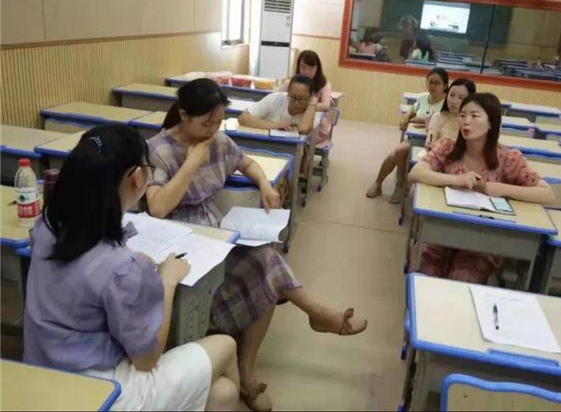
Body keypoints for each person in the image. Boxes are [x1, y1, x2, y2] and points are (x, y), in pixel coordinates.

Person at [146, 78, 367, 411]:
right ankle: (320, 316)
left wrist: (264, 183)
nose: (213, 129)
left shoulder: (217, 139)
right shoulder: (158, 149)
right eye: (207, 122)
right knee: (268, 272)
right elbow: (159, 207)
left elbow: (246, 162)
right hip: (179, 247)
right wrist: (193, 161)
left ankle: (249, 370)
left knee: (267, 260)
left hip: (215, 238)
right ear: (183, 115)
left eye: (218, 121)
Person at [23, 124, 240, 411]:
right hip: (103, 391)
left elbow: (86, 268)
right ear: (136, 178)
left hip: (41, 370)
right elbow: (147, 359)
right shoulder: (122, 267)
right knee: (226, 345)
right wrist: (167, 281)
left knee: (223, 393)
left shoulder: (47, 225)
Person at [408, 93, 555, 283]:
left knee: (464, 278)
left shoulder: (508, 158)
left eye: (474, 116)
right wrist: (457, 180)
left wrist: (500, 188)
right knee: (423, 270)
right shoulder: (448, 146)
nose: (466, 121)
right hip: (443, 230)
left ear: (491, 122)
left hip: (484, 240)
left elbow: (547, 194)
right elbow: (416, 173)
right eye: (462, 115)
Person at [366, 68, 449, 204]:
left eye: (437, 83)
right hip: (414, 138)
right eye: (430, 82)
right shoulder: (422, 97)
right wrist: (406, 118)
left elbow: (437, 121)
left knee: (400, 152)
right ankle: (381, 183)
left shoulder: (447, 103)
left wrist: (420, 119)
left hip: (432, 145)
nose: (432, 86)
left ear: (445, 86)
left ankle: (400, 186)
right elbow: (412, 109)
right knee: (397, 152)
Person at [239, 74, 318, 134]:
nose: (296, 103)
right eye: (293, 97)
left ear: (311, 96)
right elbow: (243, 118)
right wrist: (274, 126)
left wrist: (313, 103)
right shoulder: (275, 99)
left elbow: (303, 129)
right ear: (288, 92)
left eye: (302, 99)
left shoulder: (311, 110)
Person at [291, 50, 333, 145]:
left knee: (301, 137)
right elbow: (283, 99)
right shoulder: (292, 83)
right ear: (298, 67)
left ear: (317, 68)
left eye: (311, 68)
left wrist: (308, 107)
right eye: (303, 67)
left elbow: (326, 105)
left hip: (317, 127)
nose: (306, 72)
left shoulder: (324, 85)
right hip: (295, 122)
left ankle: (303, 153)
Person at [425, 78, 476, 148]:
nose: (454, 101)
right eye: (452, 95)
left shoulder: (475, 122)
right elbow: (430, 143)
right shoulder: (438, 117)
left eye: (461, 98)